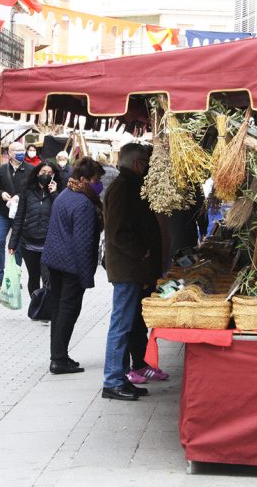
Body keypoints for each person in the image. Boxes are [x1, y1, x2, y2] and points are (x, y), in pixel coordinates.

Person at [101, 143, 163, 401]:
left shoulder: (128, 185)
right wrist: (143, 252)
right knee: (121, 324)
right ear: (138, 165)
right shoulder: (123, 188)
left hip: (133, 268)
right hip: (128, 268)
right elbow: (118, 232)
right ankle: (112, 381)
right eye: (147, 164)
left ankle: (121, 377)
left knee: (127, 323)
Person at [41, 157, 104, 374]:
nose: (98, 184)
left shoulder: (65, 194)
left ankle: (58, 355)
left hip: (55, 261)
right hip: (71, 265)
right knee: (68, 310)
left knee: (58, 309)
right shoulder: (84, 203)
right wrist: (86, 278)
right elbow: (83, 243)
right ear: (85, 179)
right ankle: (59, 359)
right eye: (96, 179)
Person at [8, 162, 59, 296]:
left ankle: (46, 305)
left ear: (54, 175)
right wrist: (13, 243)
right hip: (29, 242)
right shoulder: (27, 191)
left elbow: (61, 212)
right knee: (33, 276)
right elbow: (19, 217)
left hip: (48, 243)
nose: (46, 175)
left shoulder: (58, 193)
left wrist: (54, 193)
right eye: (43, 172)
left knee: (47, 277)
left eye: (49, 173)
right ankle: (35, 304)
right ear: (37, 173)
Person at [0, 142, 28, 290]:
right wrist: (1, 194)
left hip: (21, 214)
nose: (21, 152)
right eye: (17, 150)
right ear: (9, 153)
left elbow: (33, 189)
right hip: (3, 213)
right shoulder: (1, 170)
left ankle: (15, 276)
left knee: (18, 245)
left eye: (22, 149)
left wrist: (19, 196)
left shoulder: (30, 169)